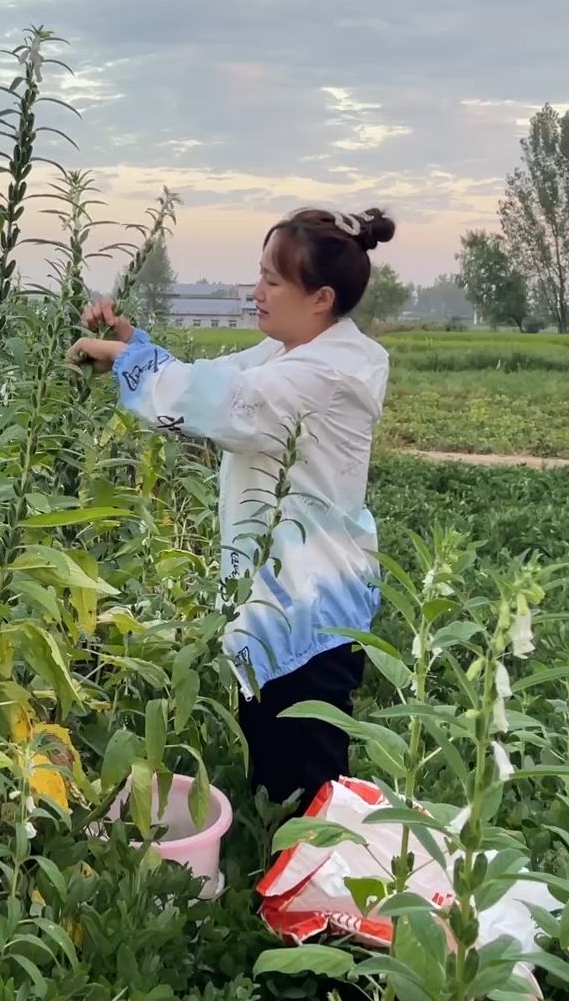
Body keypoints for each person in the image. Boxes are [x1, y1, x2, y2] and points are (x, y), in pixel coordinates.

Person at [67, 207, 394, 809]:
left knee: (311, 786)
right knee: (273, 764)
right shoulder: (292, 355)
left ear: (320, 297)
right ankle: (277, 888)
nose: (255, 293)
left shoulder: (325, 374)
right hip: (274, 594)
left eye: (272, 281)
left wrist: (121, 360)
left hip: (310, 606)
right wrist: (134, 345)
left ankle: (323, 895)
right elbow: (212, 376)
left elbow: (222, 401)